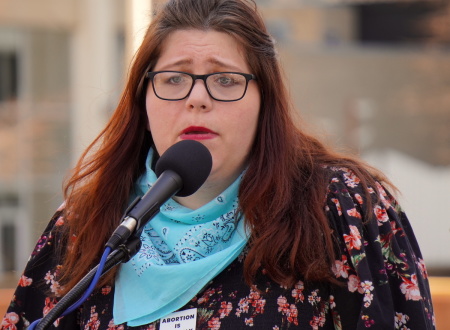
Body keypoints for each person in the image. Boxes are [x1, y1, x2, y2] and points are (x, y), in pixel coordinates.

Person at [1, 0, 435, 329]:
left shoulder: (340, 207)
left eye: (225, 79)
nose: (197, 98)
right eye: (174, 78)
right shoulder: (85, 224)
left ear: (264, 102)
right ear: (143, 100)